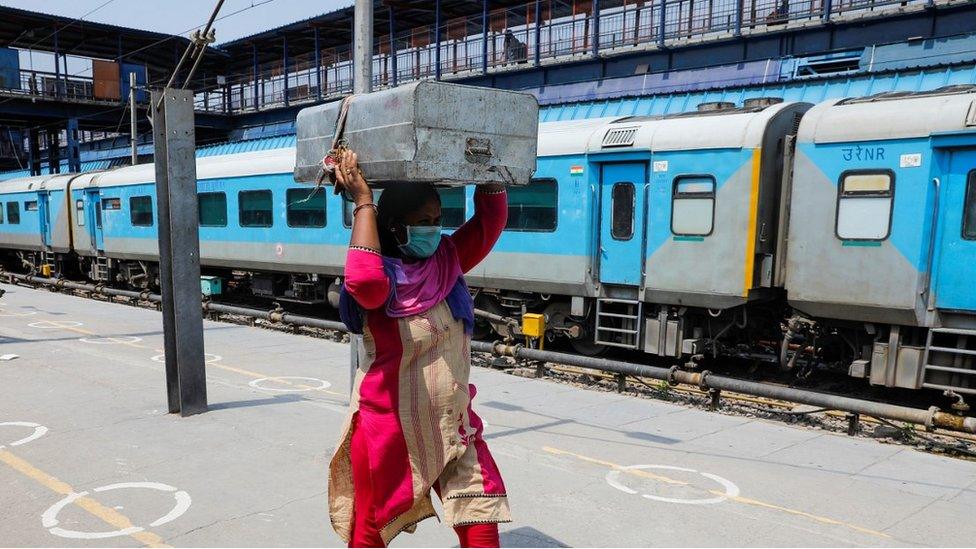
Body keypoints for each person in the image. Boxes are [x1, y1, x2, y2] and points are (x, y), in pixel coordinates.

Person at [328, 149, 511, 548]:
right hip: (389, 428)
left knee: (481, 518)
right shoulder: (382, 281)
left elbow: (490, 223)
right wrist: (363, 203)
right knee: (371, 533)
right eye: (423, 222)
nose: (435, 229)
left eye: (438, 220)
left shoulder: (447, 260)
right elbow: (362, 281)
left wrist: (492, 169)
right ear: (394, 227)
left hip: (453, 423)